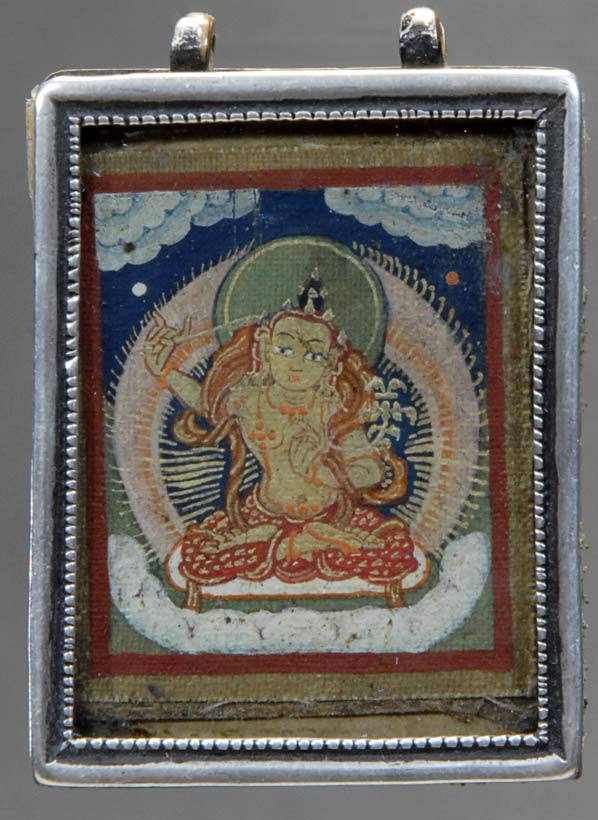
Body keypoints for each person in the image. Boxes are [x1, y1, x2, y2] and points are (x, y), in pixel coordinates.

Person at [144, 274, 425, 610]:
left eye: (313, 356)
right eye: (284, 349)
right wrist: (165, 371)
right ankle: (301, 542)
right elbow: (206, 403)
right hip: (262, 515)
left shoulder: (331, 409)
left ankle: (303, 540)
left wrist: (324, 473)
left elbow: (371, 472)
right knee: (202, 558)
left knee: (393, 552)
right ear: (264, 350)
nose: (296, 363)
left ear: (331, 365)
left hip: (332, 514)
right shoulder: (250, 401)